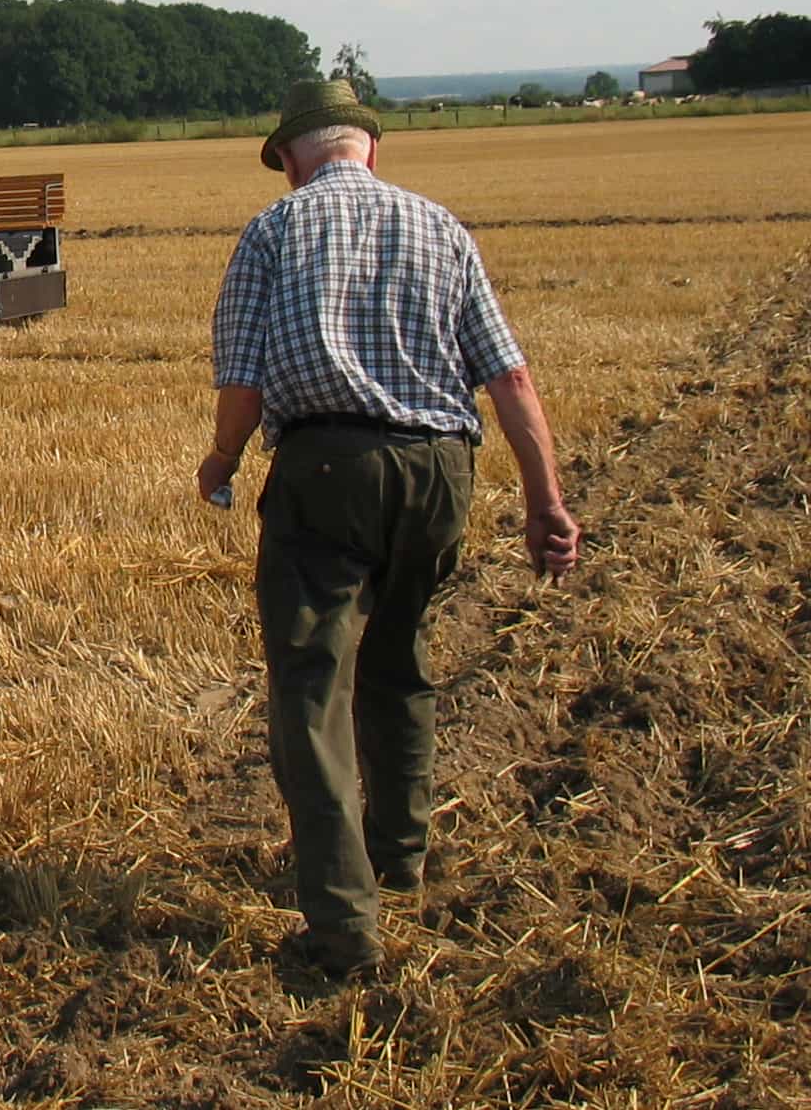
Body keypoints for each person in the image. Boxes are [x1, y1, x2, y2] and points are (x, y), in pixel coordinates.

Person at [197, 78, 580, 977]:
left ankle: (342, 922)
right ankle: (400, 862)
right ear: (370, 147)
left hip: (327, 470)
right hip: (441, 470)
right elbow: (511, 381)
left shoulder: (273, 231)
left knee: (310, 689)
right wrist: (546, 501)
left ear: (292, 159)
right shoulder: (441, 227)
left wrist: (222, 461)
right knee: (400, 662)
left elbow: (243, 386)